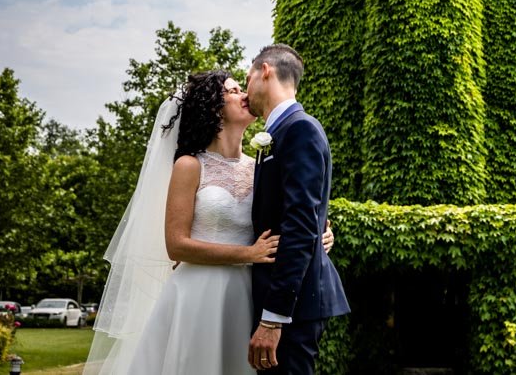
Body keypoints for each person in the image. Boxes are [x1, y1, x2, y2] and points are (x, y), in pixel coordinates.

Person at [85, 71, 334, 375]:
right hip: (199, 293)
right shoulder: (189, 165)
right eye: (234, 90)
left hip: (247, 294)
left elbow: (295, 215)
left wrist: (321, 234)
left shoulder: (260, 167)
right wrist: (248, 254)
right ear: (213, 108)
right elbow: (176, 245)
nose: (245, 95)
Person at [245, 44, 350, 373]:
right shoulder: (279, 132)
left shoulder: (299, 129)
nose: (245, 85)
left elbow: (301, 225)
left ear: (265, 71)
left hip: (293, 306)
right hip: (280, 301)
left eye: (247, 76)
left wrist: (274, 319)